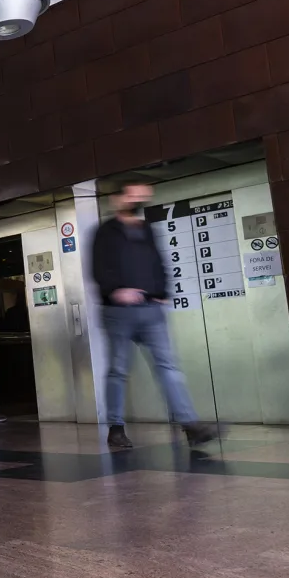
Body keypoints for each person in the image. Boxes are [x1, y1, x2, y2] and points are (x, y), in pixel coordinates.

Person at [92, 183, 218, 449]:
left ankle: (190, 425)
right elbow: (98, 269)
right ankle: (116, 429)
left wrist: (163, 291)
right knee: (118, 371)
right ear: (117, 199)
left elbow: (160, 262)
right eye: (132, 194)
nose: (138, 198)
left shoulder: (147, 230)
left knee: (168, 367)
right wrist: (116, 290)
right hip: (118, 313)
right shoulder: (105, 232)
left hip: (152, 311)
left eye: (142, 195)